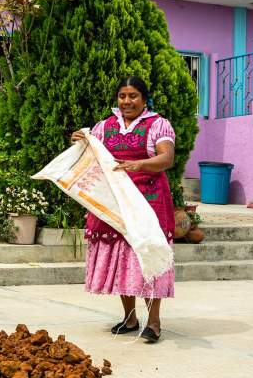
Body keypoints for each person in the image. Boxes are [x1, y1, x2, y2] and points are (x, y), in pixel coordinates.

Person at [71, 76, 176, 343]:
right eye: (122, 96)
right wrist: (80, 143)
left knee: (147, 255)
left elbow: (166, 158)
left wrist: (139, 164)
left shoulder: (157, 125)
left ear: (144, 99)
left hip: (148, 199)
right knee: (122, 258)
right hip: (115, 199)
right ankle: (130, 318)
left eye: (133, 96)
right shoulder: (105, 126)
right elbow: (92, 156)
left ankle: (154, 322)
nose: (127, 101)